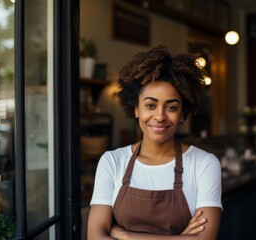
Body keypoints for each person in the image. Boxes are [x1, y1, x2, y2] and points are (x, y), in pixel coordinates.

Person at [87, 45, 223, 240]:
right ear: (136, 109)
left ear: (182, 114)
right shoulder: (112, 162)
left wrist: (125, 236)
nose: (159, 116)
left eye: (171, 107)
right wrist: (181, 238)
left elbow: (205, 239)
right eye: (150, 105)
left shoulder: (204, 164)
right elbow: (95, 237)